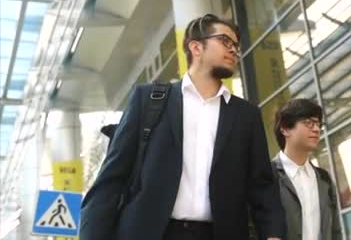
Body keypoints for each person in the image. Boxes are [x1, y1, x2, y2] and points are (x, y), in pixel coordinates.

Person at [80, 14, 285, 240]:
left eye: (236, 45)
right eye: (225, 41)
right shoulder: (148, 100)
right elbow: (112, 178)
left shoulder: (246, 115)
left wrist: (273, 234)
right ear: (196, 47)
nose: (234, 50)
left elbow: (262, 186)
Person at [271, 99, 342, 240]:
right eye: (309, 123)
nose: (316, 129)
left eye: (318, 124)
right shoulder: (267, 176)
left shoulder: (324, 178)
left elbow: (335, 231)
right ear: (285, 129)